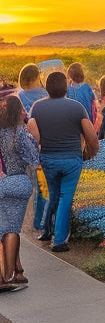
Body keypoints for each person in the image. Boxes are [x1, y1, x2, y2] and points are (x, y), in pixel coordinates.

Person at [27, 71, 100, 251]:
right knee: (65, 197)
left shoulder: (37, 107)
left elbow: (32, 136)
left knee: (53, 195)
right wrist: (89, 153)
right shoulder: (77, 107)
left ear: (47, 87)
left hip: (49, 159)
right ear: (66, 87)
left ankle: (46, 230)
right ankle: (59, 241)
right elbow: (92, 138)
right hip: (71, 160)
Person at [0, 93, 39, 289]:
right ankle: (9, 276)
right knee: (12, 229)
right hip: (18, 182)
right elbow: (33, 160)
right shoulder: (20, 133)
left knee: (3, 228)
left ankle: (17, 271)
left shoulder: (1, 133)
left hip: (2, 183)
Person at [17, 63, 49, 230]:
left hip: (26, 145)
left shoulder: (19, 96)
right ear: (37, 78)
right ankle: (42, 221)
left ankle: (36, 221)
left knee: (35, 185)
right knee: (46, 186)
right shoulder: (46, 94)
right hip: (48, 142)